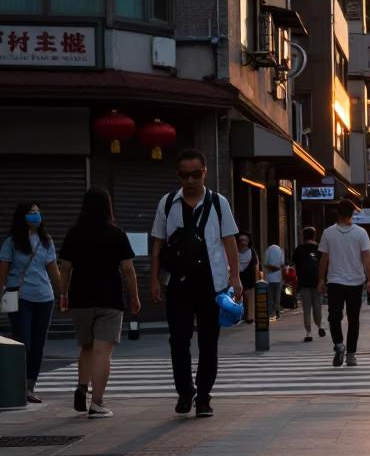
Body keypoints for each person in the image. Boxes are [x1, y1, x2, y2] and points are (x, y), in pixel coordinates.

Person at [151, 148, 241, 418]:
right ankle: (184, 392)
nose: (189, 181)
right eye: (183, 175)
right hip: (177, 283)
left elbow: (230, 242)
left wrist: (235, 276)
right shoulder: (167, 203)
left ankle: (203, 396)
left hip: (210, 284)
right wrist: (154, 279)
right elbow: (157, 243)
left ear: (204, 173)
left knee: (208, 343)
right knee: (178, 341)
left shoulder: (218, 203)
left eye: (194, 175)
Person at [57, 188, 139, 419]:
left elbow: (65, 267)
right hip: (109, 299)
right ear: (108, 208)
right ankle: (97, 404)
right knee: (103, 351)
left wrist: (63, 294)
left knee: (86, 346)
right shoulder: (116, 234)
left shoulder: (74, 233)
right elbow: (127, 269)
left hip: (80, 299)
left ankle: (82, 385)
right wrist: (134, 296)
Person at [0, 203, 59, 403]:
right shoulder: (12, 242)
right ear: (22, 217)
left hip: (45, 298)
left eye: (38, 212)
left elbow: (53, 271)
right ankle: (18, 385)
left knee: (38, 344)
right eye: (32, 212)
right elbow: (3, 271)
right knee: (23, 341)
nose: (37, 215)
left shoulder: (46, 241)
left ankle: (30, 387)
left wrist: (65, 292)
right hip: (21, 297)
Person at [318, 199, 370, 367]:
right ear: (352, 213)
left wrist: (321, 279)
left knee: (334, 316)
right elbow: (367, 258)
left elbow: (323, 259)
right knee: (353, 318)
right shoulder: (359, 233)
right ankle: (349, 353)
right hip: (352, 282)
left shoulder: (328, 232)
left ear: (338, 213)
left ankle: (340, 346)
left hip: (338, 281)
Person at [293, 226, 325, 342]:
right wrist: (323, 280)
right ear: (314, 236)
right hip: (317, 281)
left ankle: (309, 332)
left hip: (304, 282)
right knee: (318, 306)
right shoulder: (319, 249)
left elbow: (295, 263)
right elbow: (324, 265)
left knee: (306, 308)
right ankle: (320, 325)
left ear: (303, 236)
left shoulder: (299, 249)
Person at [237, 232, 259, 323]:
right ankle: (240, 316)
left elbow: (255, 266)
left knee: (249, 298)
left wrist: (257, 279)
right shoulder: (235, 251)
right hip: (238, 278)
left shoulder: (252, 252)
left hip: (249, 279)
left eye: (245, 240)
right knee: (238, 298)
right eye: (241, 240)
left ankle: (249, 316)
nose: (243, 242)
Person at [264, 241, 284, 318]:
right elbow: (282, 263)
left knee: (269, 296)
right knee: (277, 296)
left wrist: (271, 268)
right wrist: (277, 268)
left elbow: (266, 263)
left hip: (269, 277)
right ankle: (276, 311)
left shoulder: (267, 250)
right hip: (278, 277)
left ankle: (269, 312)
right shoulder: (281, 251)